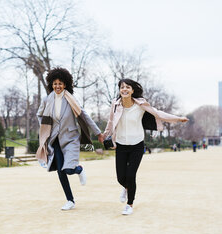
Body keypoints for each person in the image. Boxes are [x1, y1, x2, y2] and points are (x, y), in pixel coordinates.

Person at [102, 78, 188, 215]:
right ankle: (126, 188)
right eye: (122, 87)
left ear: (132, 90)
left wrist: (177, 118)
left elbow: (159, 113)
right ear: (119, 90)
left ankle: (129, 205)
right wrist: (105, 134)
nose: (124, 89)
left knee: (131, 176)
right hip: (121, 145)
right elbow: (111, 121)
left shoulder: (141, 105)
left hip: (137, 145)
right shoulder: (116, 104)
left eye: (127, 87)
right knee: (120, 177)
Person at [36, 67, 103, 211]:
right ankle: (70, 200)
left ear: (65, 84)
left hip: (71, 138)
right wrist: (45, 128)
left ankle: (79, 170)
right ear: (51, 85)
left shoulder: (71, 99)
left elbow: (84, 116)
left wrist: (98, 133)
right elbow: (39, 114)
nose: (57, 86)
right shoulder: (47, 100)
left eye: (60, 83)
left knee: (68, 169)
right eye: (55, 84)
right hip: (55, 139)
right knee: (60, 171)